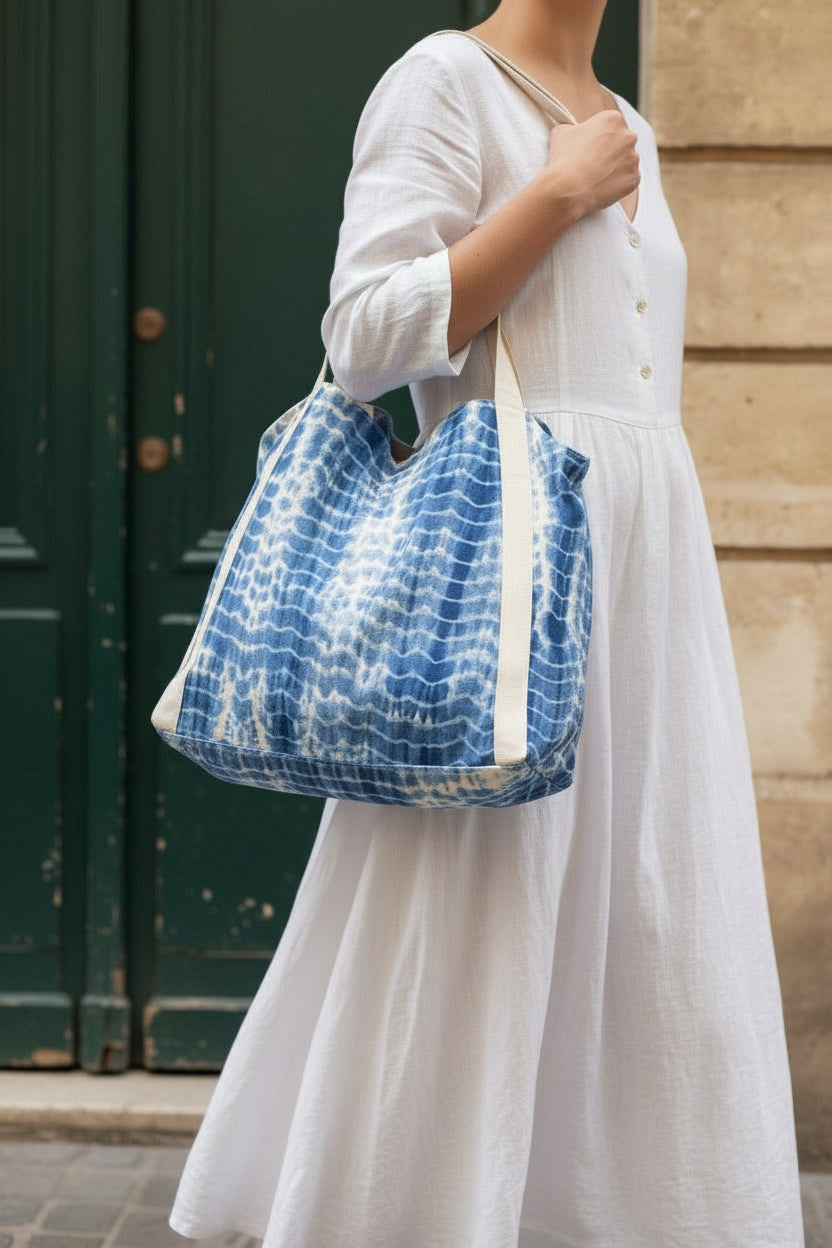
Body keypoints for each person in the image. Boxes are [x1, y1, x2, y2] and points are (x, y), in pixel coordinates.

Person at [168, 2, 806, 1245]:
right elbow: (361, 340)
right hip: (506, 572)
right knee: (477, 904)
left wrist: (592, 168)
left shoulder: (635, 126)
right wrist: (553, 195)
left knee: (651, 903)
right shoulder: (441, 83)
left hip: (645, 575)